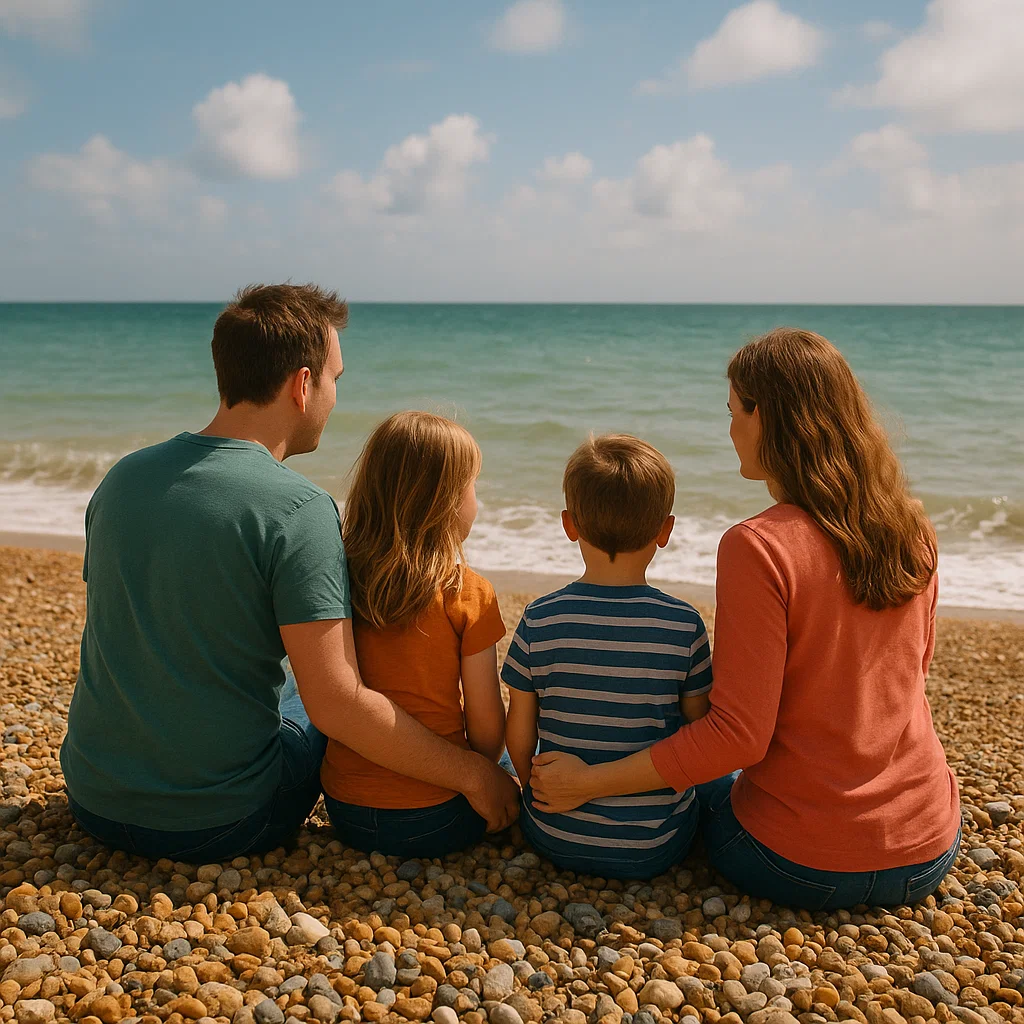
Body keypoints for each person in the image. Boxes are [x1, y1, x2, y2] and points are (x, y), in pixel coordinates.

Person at [61, 284, 518, 860]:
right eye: (335, 380)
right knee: (317, 695)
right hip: (221, 820)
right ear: (303, 385)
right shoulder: (297, 510)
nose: (334, 399)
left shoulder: (122, 479)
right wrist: (474, 776)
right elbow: (338, 705)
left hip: (94, 797)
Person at [531, 329, 961, 910]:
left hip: (797, 863)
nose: (729, 429)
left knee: (696, 786)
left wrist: (588, 782)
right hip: (928, 847)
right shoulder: (913, 527)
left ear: (767, 419)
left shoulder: (758, 547)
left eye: (733, 411)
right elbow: (907, 686)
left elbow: (737, 736)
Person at [502, 435, 712, 879]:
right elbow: (698, 728)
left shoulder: (540, 617)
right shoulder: (682, 624)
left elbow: (519, 732)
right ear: (666, 530)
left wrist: (531, 793)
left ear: (569, 524)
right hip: (656, 844)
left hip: (553, 833)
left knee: (507, 759)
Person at [321, 411, 507, 856]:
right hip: (437, 816)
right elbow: (485, 728)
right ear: (448, 502)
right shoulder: (468, 593)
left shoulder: (337, 578)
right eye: (472, 486)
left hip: (345, 810)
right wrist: (491, 774)